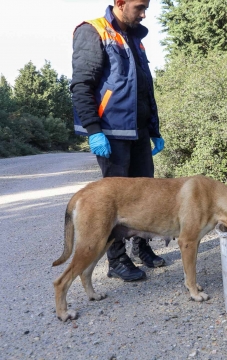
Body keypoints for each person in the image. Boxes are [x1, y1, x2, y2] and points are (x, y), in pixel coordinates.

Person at [70, 0, 166, 282]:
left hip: (139, 132)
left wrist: (154, 129)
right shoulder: (93, 31)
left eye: (147, 7)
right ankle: (116, 259)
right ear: (120, 3)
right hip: (111, 133)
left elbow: (145, 88)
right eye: (139, 7)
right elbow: (81, 85)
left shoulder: (136, 37)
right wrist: (93, 129)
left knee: (147, 197)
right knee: (114, 201)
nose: (144, 13)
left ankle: (142, 247)